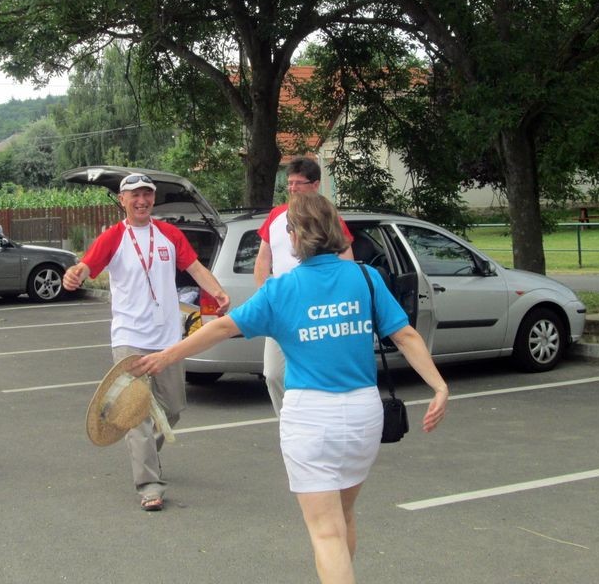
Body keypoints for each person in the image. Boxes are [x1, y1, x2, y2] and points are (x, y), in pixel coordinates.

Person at [135, 192, 449, 584]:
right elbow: (405, 335)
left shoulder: (281, 289)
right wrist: (439, 387)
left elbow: (222, 327)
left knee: (326, 533)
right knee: (344, 516)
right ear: (335, 230)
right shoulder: (366, 278)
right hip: (364, 416)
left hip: (312, 419)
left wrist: (168, 355)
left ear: (295, 236)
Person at [64, 172, 230, 511]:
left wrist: (218, 291)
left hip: (168, 337)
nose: (141, 201)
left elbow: (196, 268)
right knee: (135, 412)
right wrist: (74, 274)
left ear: (153, 199)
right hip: (130, 337)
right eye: (134, 195)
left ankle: (147, 456)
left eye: (146, 195)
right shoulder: (113, 237)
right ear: (122, 200)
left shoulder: (169, 234)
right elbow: (86, 266)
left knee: (173, 408)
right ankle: (149, 484)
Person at [254, 156, 353, 414]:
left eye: (299, 183)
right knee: (273, 374)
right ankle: (287, 421)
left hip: (318, 309)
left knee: (317, 373)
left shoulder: (328, 216)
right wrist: (266, 295)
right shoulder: (276, 216)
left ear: (315, 184)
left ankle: (316, 420)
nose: (293, 188)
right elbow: (263, 260)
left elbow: (347, 261)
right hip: (282, 308)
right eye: (290, 183)